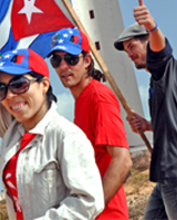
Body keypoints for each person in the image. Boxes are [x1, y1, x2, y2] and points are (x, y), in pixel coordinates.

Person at [0, 35, 104, 220]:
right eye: (2, 90)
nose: (10, 95)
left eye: (19, 85)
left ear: (44, 85)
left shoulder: (67, 137)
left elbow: (88, 202)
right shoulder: (12, 130)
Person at [114, 0, 177, 220]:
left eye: (132, 46)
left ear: (148, 43)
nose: (130, 54)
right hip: (168, 174)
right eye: (126, 51)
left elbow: (161, 51)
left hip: (176, 172)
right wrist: (148, 125)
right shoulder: (161, 80)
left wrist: (153, 28)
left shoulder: (162, 67)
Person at [48, 27, 132, 220]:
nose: (63, 66)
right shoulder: (82, 99)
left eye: (71, 59)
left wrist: (92, 210)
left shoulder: (98, 96)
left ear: (87, 61)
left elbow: (122, 160)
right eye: (56, 60)